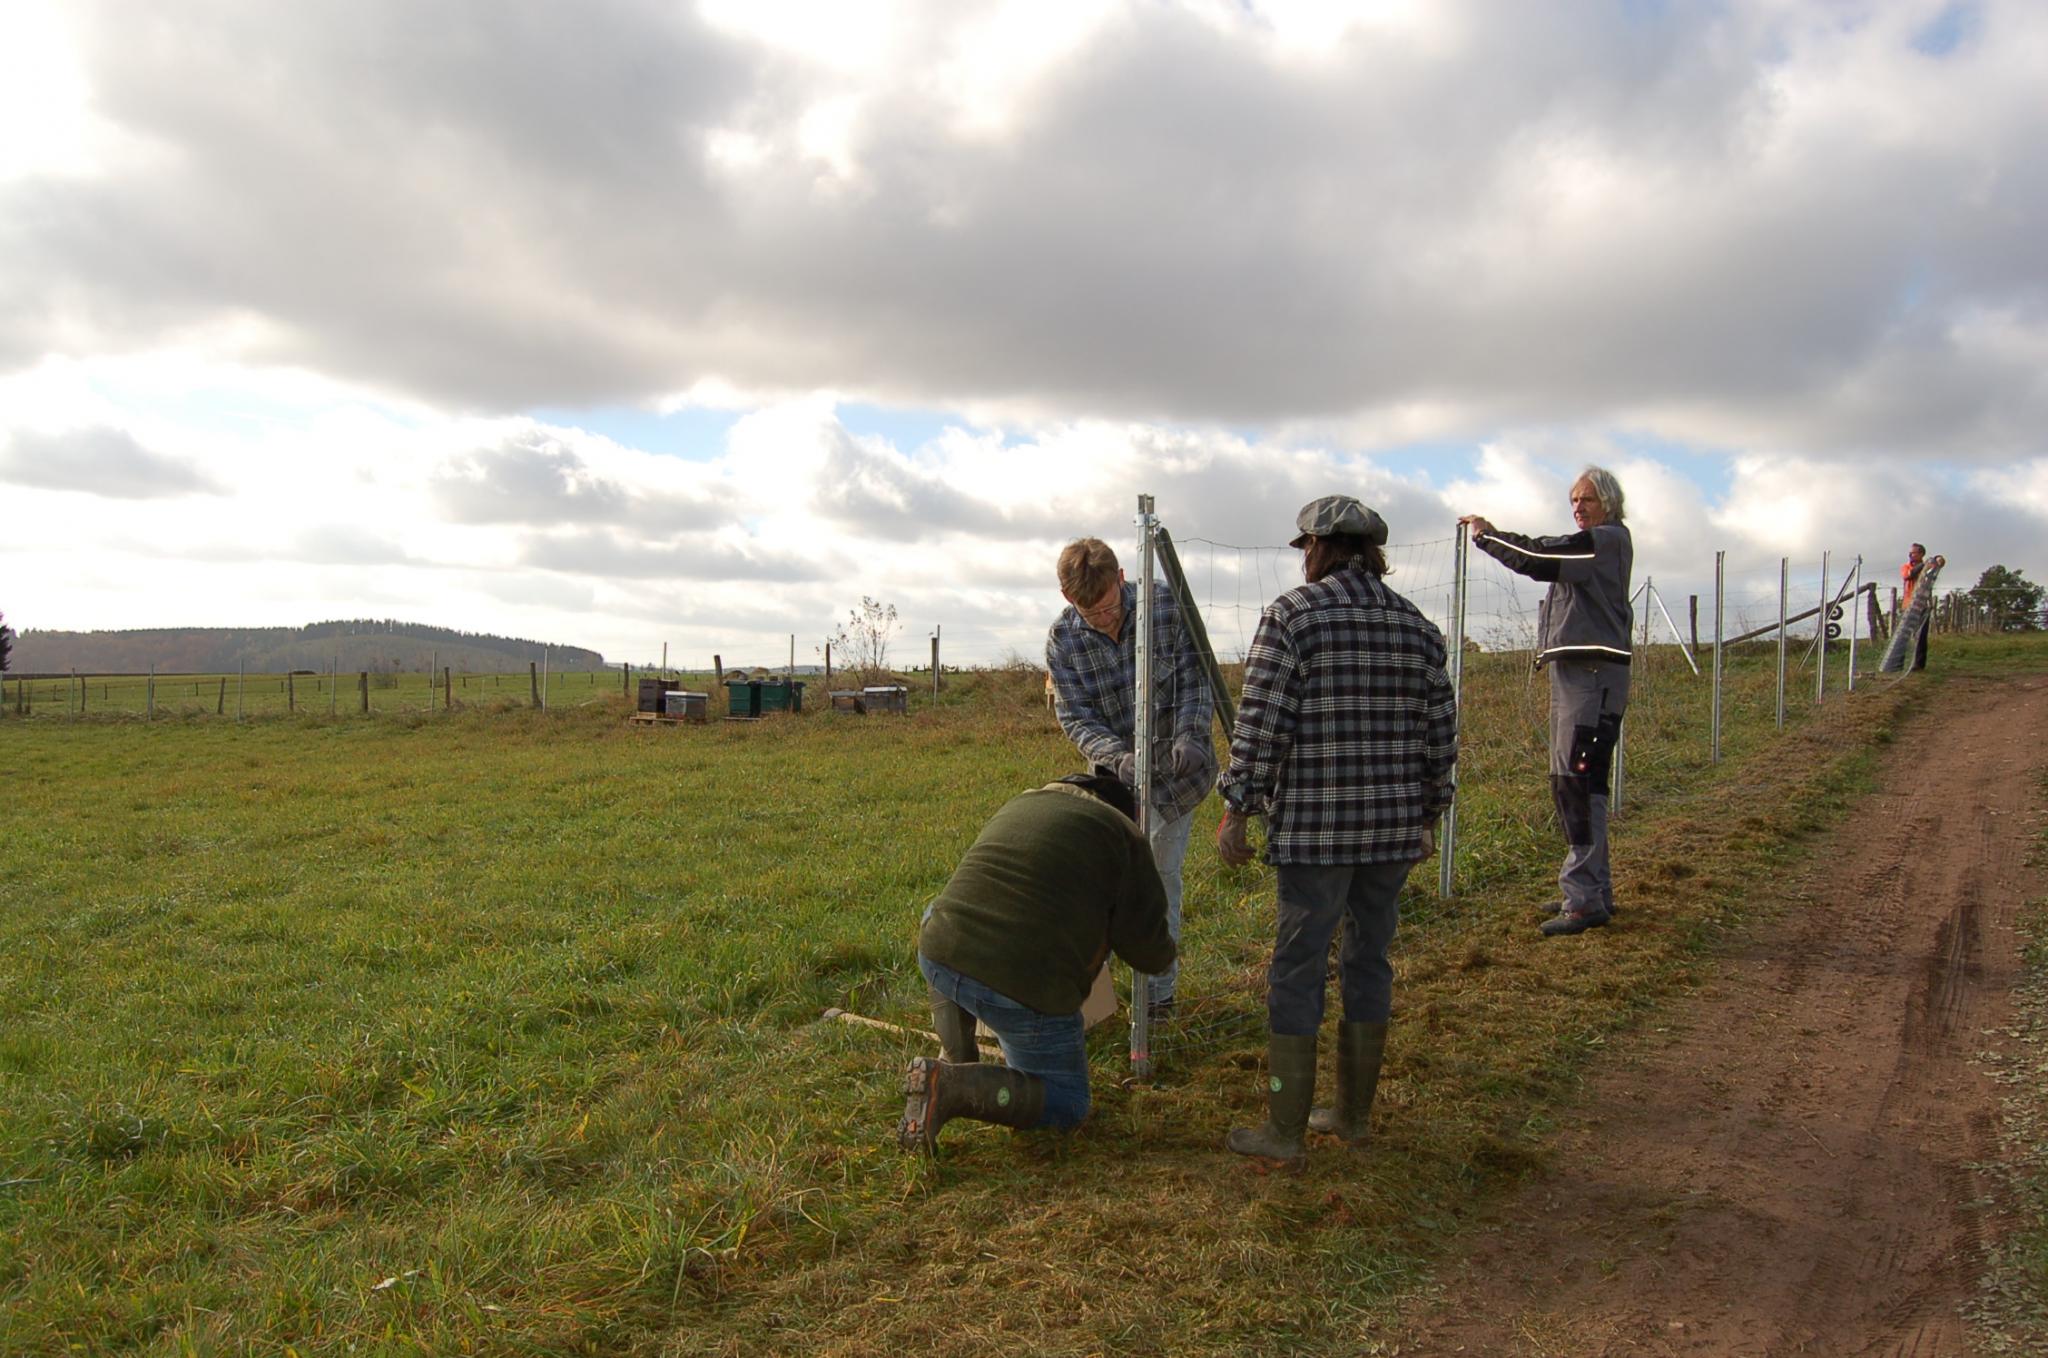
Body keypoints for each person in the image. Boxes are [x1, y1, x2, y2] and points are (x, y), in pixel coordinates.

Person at [1217, 496, 1457, 1162]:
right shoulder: (1418, 627)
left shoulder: (1292, 618)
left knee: (1297, 969)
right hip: (1390, 832)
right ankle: (1351, 1117)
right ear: (1372, 553)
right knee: (1368, 961)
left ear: (1317, 549)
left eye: (1305, 549)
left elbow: (1262, 725)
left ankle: (1284, 1131)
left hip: (1315, 834)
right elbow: (1440, 737)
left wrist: (1237, 808)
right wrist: (1429, 814)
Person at [899, 773, 1175, 1153]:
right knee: (1068, 1102)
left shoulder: (1024, 802)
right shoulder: (1125, 837)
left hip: (939, 950)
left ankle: (958, 1055)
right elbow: (1151, 954)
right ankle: (951, 1086)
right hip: (1022, 985)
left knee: (945, 917)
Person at [1459, 466, 1634, 938]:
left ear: (1609, 504)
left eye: (1588, 501)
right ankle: (1591, 891)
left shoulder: (1602, 541)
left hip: (1591, 676)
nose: (1579, 509)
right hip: (1582, 673)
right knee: (1585, 784)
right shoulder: (1599, 544)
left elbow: (1535, 557)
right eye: (1574, 501)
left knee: (1574, 783)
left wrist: (1487, 536)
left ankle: (1582, 900)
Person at [1046, 537, 1216, 1019]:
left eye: (1108, 607)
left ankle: (1157, 998)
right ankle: (1092, 1002)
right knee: (1100, 885)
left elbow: (1194, 680)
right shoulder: (1063, 641)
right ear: (1068, 599)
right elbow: (1076, 717)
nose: (1104, 619)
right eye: (1090, 612)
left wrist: (1190, 736)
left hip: (1178, 777)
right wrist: (1116, 757)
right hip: (1116, 779)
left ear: (1123, 578)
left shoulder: (1165, 605)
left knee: (1159, 883)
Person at [1900, 543, 1945, 672]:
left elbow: (1939, 563)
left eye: (1913, 552)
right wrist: (1924, 565)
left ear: (1921, 554)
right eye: (1910, 552)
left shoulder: (1928, 566)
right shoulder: (1906, 566)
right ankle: (1899, 663)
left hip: (1922, 605)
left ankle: (1918, 665)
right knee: (1904, 635)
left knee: (1920, 636)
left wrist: (1938, 558)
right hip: (1908, 605)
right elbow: (1908, 575)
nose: (1910, 555)